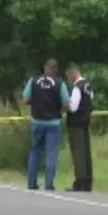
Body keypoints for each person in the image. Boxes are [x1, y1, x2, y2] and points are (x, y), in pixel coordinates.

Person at [22, 58, 70, 191]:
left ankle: (31, 183)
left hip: (36, 121)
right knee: (51, 153)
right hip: (53, 123)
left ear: (44, 68)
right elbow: (66, 104)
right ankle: (49, 184)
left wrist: (35, 102)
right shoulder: (60, 84)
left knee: (35, 152)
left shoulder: (33, 81)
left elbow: (25, 99)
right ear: (55, 70)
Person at [65, 63, 94, 191]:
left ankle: (80, 181)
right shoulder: (88, 86)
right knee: (86, 152)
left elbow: (73, 107)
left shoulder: (77, 87)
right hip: (85, 121)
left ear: (73, 73)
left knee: (78, 153)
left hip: (76, 123)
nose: (68, 79)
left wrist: (64, 105)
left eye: (68, 76)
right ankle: (88, 181)